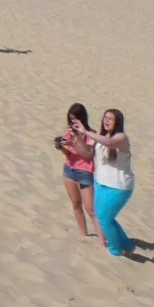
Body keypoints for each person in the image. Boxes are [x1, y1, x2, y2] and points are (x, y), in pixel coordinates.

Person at [74, 108, 134, 256]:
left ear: (117, 122)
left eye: (110, 119)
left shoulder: (121, 138)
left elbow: (109, 143)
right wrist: (77, 139)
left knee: (104, 218)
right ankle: (126, 244)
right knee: (105, 217)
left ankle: (115, 250)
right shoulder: (100, 136)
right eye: (105, 117)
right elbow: (89, 154)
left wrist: (87, 132)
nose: (106, 120)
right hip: (100, 183)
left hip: (119, 187)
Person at [56, 102, 99, 240]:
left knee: (91, 209)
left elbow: (87, 156)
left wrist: (77, 140)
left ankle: (102, 238)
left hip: (84, 173)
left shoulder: (91, 134)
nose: (72, 122)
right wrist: (61, 146)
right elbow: (68, 154)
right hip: (69, 170)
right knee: (75, 204)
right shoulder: (70, 132)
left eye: (75, 118)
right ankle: (84, 235)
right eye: (70, 119)